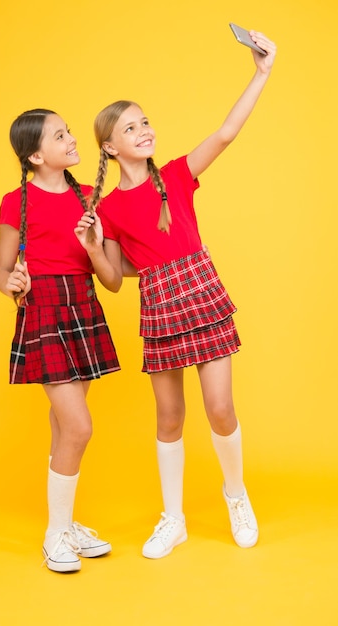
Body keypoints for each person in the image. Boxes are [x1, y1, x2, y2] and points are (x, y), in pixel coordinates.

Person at [75, 30, 276, 558]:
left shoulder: (179, 175)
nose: (144, 131)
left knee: (221, 406)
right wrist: (95, 247)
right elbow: (115, 280)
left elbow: (227, 132)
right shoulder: (109, 209)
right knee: (169, 417)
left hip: (200, 291)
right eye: (130, 127)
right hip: (160, 303)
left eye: (145, 121)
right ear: (110, 146)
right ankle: (174, 518)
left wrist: (260, 73)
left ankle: (236, 497)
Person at [0, 108, 120, 573]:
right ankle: (55, 535)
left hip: (83, 306)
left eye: (69, 132)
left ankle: (64, 525)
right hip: (43, 309)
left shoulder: (90, 197)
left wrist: (93, 246)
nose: (71, 139)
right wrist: (13, 284)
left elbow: (111, 279)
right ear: (35, 154)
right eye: (60, 135)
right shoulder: (15, 201)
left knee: (64, 427)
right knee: (79, 427)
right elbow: (2, 270)